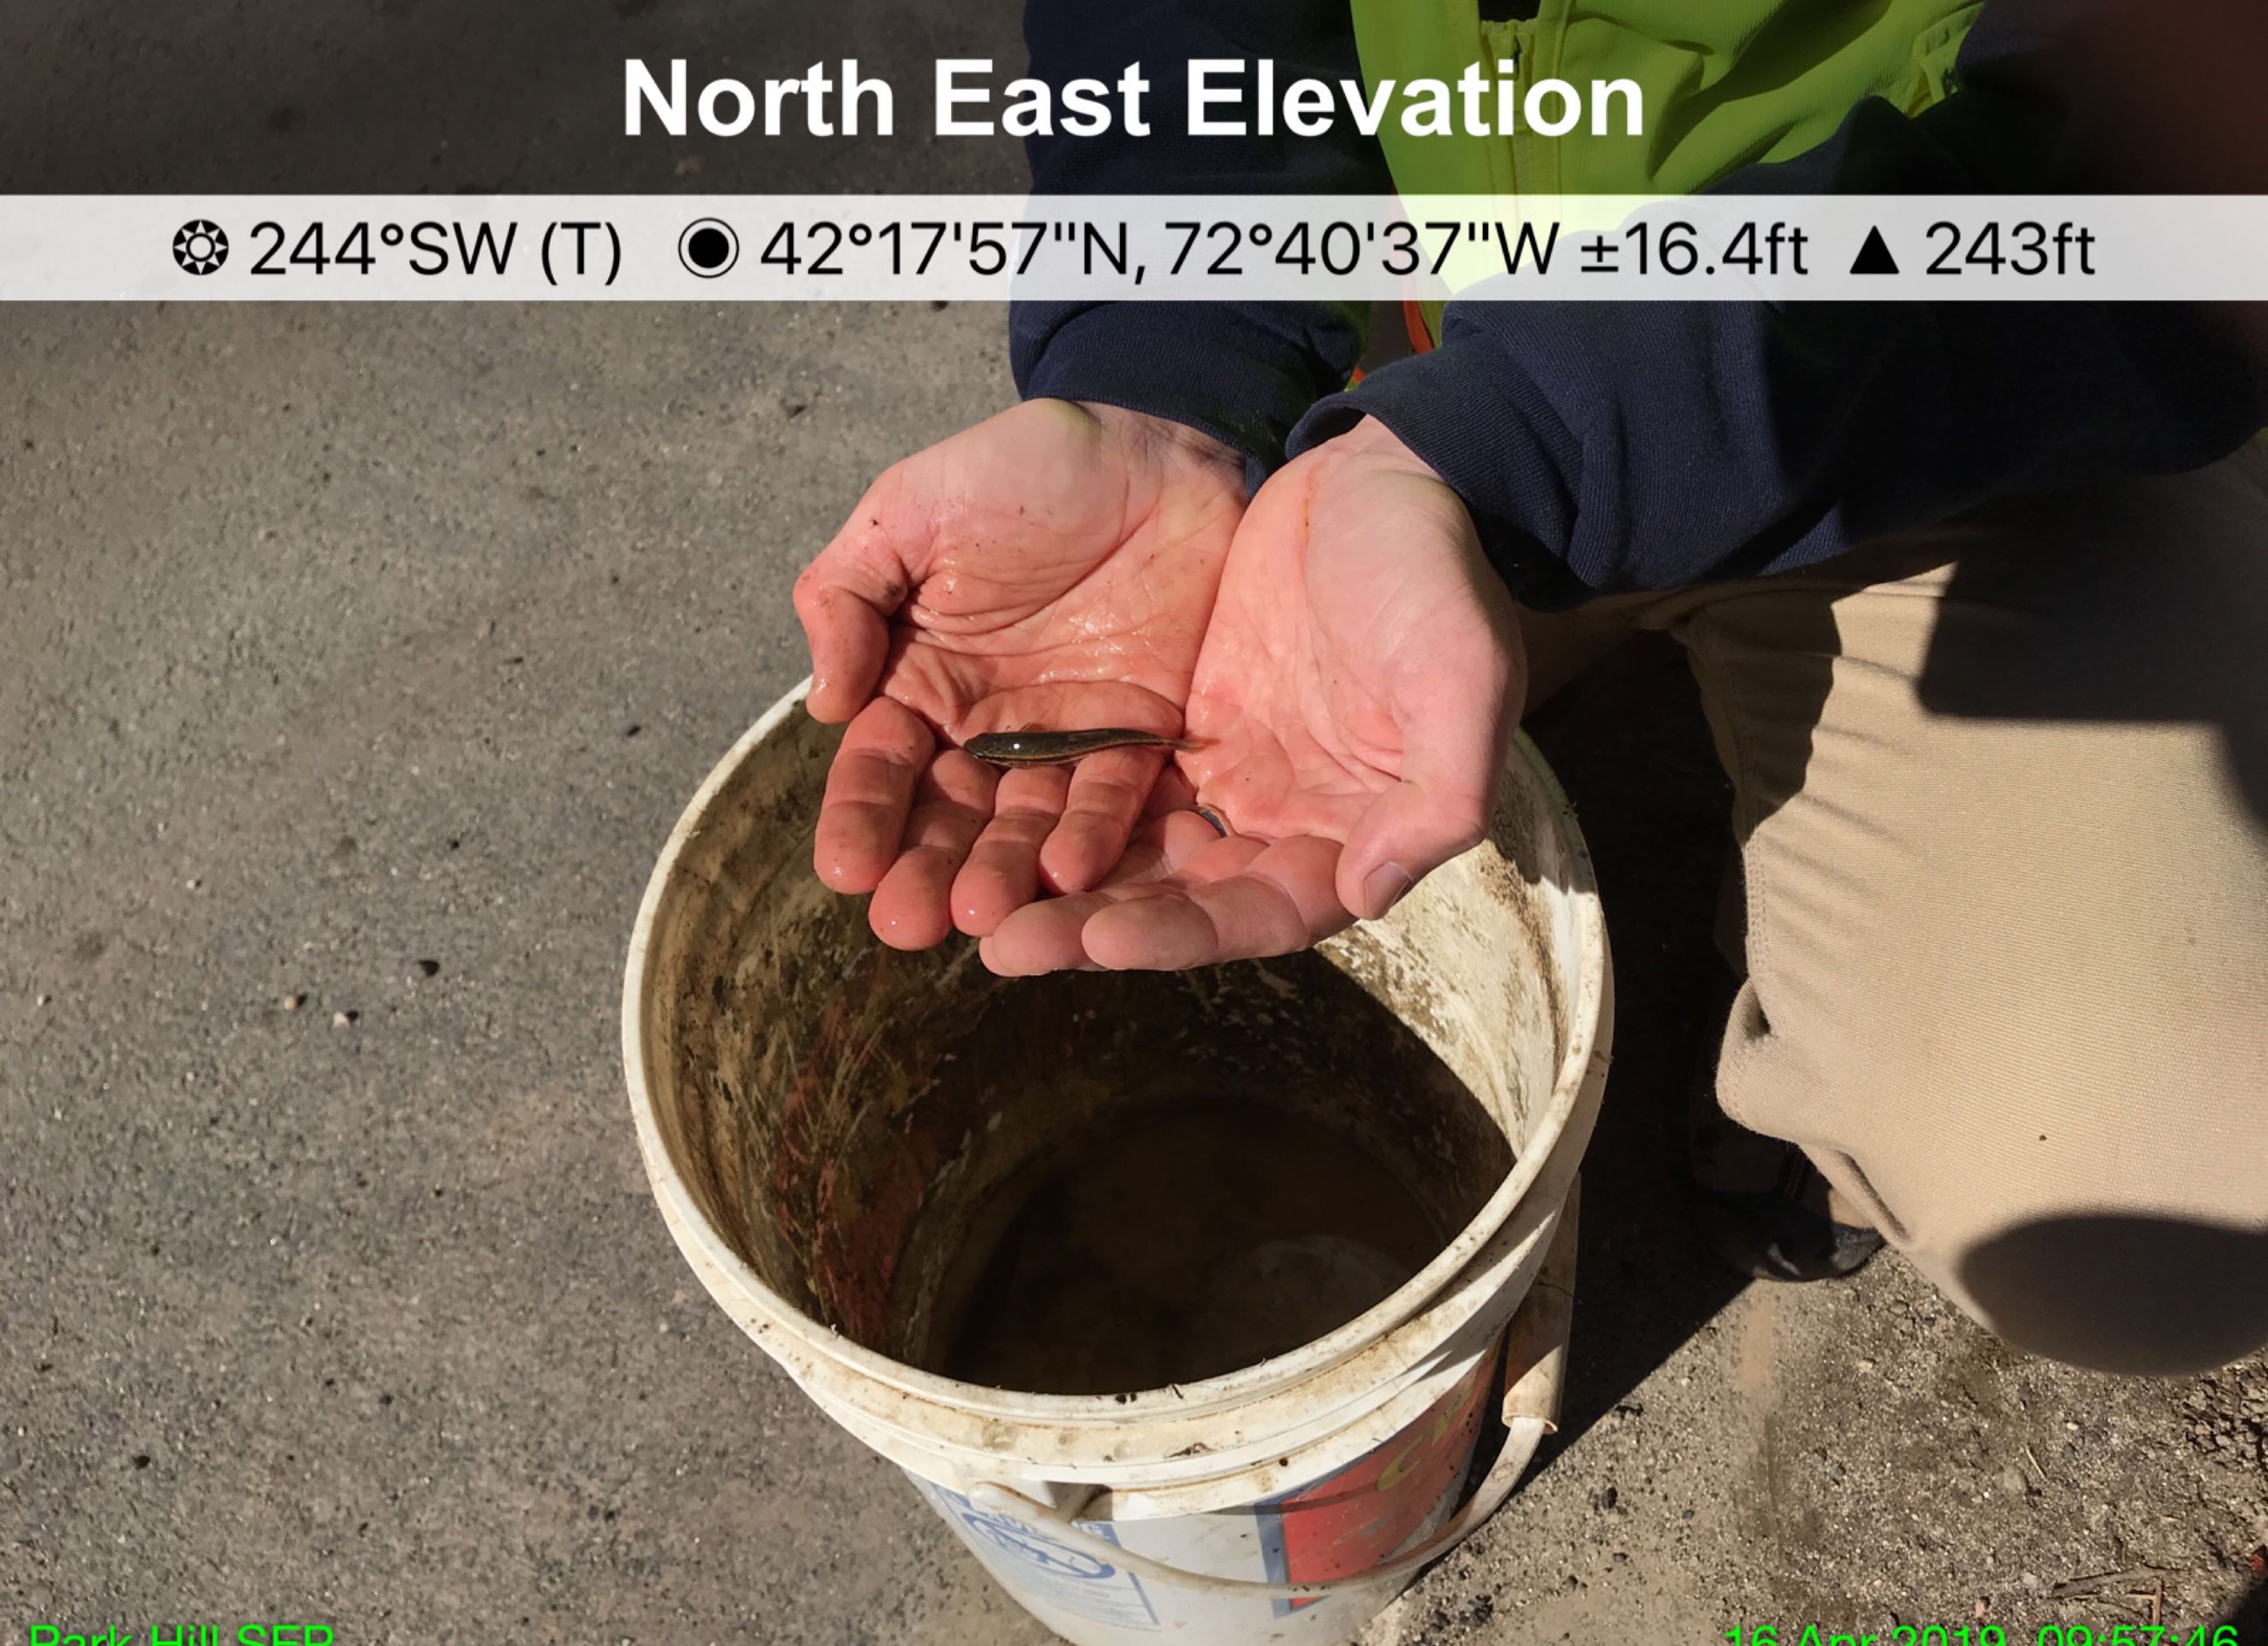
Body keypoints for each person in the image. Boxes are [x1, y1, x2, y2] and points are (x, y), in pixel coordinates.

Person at [792, 0, 2268, 1376]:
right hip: (1427, 361)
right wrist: (1163, 375)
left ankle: (1829, 1019)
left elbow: (2177, 161)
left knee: (2150, 1195)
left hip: (1937, 356)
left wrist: (1524, 442)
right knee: (1304, 759)